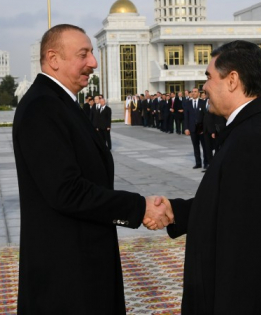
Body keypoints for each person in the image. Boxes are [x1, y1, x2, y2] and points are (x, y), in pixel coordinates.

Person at [12, 24, 172, 314]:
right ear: (54, 58)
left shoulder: (63, 103)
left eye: (92, 54)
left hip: (81, 258)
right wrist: (138, 208)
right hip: (66, 271)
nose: (93, 63)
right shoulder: (42, 107)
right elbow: (66, 191)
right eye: (83, 54)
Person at [150, 40, 261, 313]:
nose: (204, 86)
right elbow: (230, 203)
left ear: (232, 80)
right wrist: (176, 211)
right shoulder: (251, 127)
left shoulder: (252, 139)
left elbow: (247, 253)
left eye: (208, 76)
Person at [184, 87, 207, 169]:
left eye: (195, 92)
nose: (193, 93)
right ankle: (198, 163)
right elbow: (186, 117)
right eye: (192, 92)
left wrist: (205, 128)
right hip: (192, 128)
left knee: (204, 146)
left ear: (198, 93)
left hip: (201, 129)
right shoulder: (188, 103)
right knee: (195, 146)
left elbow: (205, 116)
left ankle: (206, 163)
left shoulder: (203, 102)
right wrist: (186, 128)